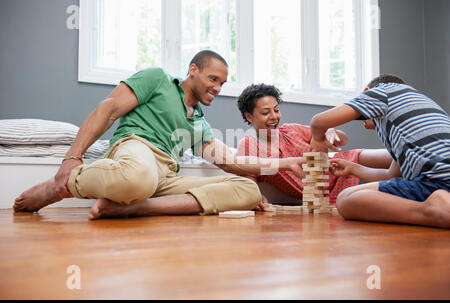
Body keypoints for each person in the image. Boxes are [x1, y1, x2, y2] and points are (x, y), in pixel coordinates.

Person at [13, 50, 305, 219]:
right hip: (136, 147)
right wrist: (71, 158)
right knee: (139, 177)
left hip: (164, 174)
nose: (217, 88)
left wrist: (284, 164)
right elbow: (109, 109)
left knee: (247, 190)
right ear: (193, 70)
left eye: (222, 83)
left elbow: (230, 162)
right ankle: (57, 187)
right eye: (213, 79)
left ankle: (135, 208)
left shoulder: (199, 124)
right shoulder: (157, 80)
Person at [309, 74, 450, 228]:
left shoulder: (382, 92)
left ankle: (430, 211)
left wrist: (317, 140)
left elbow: (318, 122)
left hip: (439, 180)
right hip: (442, 178)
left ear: (366, 91)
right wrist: (352, 168)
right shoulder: (411, 114)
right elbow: (390, 176)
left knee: (345, 199)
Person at [236, 83, 392, 208]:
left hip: (344, 163)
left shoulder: (292, 129)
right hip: (329, 192)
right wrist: (257, 197)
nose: (274, 117)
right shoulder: (250, 144)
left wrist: (331, 132)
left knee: (394, 157)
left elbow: (342, 140)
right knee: (394, 185)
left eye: (276, 110)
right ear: (249, 116)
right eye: (265, 113)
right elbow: (248, 180)